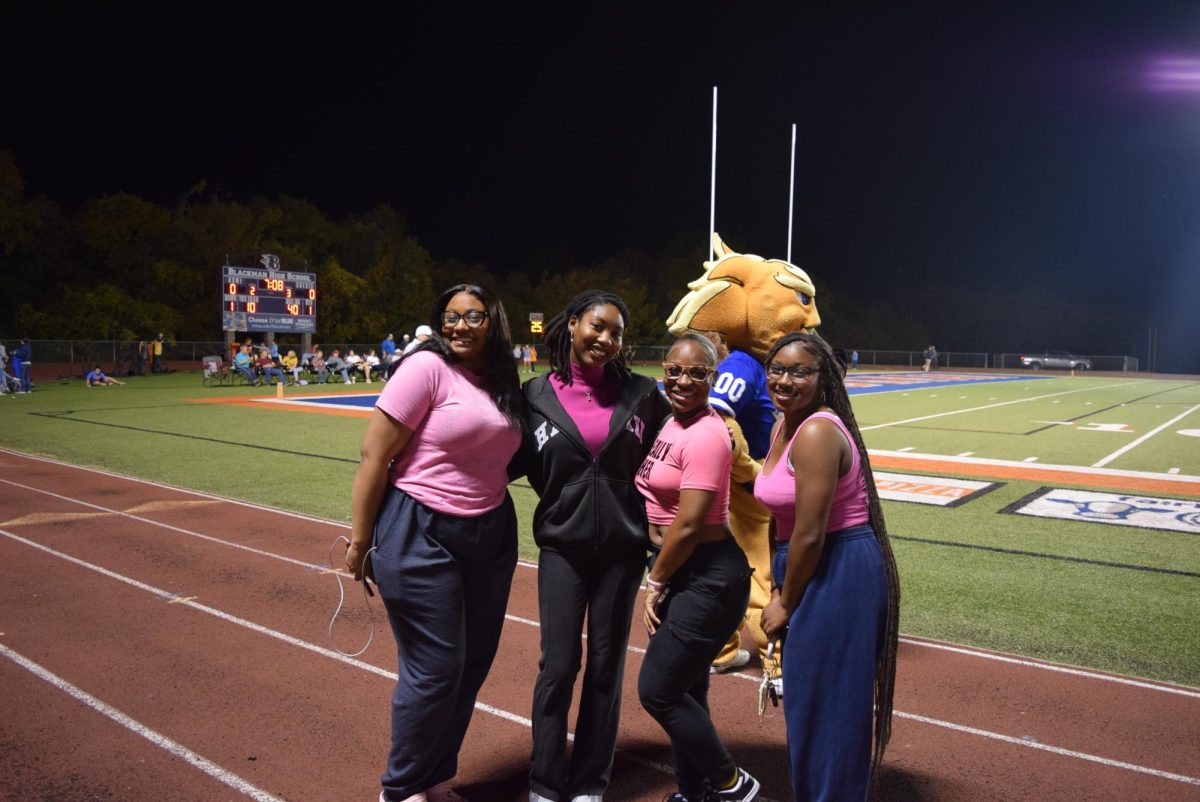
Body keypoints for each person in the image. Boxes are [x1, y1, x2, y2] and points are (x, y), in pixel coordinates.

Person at [345, 283, 526, 802]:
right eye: (450, 317)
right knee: (435, 669)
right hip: (419, 528)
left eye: (472, 317)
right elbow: (373, 457)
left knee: (472, 666)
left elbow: (500, 453)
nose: (458, 326)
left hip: (490, 532)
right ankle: (400, 789)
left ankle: (435, 778)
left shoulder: (502, 380)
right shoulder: (425, 368)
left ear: (493, 321)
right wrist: (361, 542)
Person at [517, 290, 671, 802]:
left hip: (623, 554)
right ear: (573, 323)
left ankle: (588, 785)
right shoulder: (534, 395)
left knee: (606, 667)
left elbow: (675, 459)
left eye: (617, 333)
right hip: (563, 549)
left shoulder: (645, 395)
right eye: (597, 327)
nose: (605, 340)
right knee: (558, 667)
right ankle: (544, 782)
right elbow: (496, 460)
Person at [755, 332, 900, 802]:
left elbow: (812, 532)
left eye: (800, 371)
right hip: (806, 561)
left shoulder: (816, 431)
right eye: (777, 368)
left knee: (831, 708)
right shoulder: (784, 425)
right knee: (810, 703)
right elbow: (783, 517)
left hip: (835, 567)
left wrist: (785, 601)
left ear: (823, 380)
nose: (785, 379)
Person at [635, 334, 758, 802]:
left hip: (706, 573)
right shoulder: (671, 421)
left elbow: (688, 525)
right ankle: (694, 792)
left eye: (698, 372)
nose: (684, 380)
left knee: (658, 690)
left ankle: (732, 784)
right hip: (683, 570)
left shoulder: (708, 433)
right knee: (688, 688)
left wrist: (655, 581)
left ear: (714, 376)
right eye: (674, 371)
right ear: (662, 370)